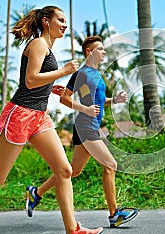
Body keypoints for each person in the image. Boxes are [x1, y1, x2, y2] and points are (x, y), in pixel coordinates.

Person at [0, 6, 103, 234]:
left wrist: (52, 88)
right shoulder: (39, 44)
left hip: (40, 117)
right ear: (45, 21)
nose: (65, 24)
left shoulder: (47, 48)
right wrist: (62, 72)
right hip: (20, 114)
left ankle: (73, 229)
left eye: (65, 21)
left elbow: (36, 81)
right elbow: (30, 81)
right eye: (60, 20)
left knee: (64, 170)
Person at [25, 36, 139, 228]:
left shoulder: (96, 74)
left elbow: (98, 101)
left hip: (89, 126)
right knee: (110, 165)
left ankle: (36, 193)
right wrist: (85, 109)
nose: (104, 52)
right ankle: (114, 214)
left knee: (74, 171)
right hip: (86, 126)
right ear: (89, 52)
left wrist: (115, 101)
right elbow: (65, 99)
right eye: (100, 49)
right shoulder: (82, 73)